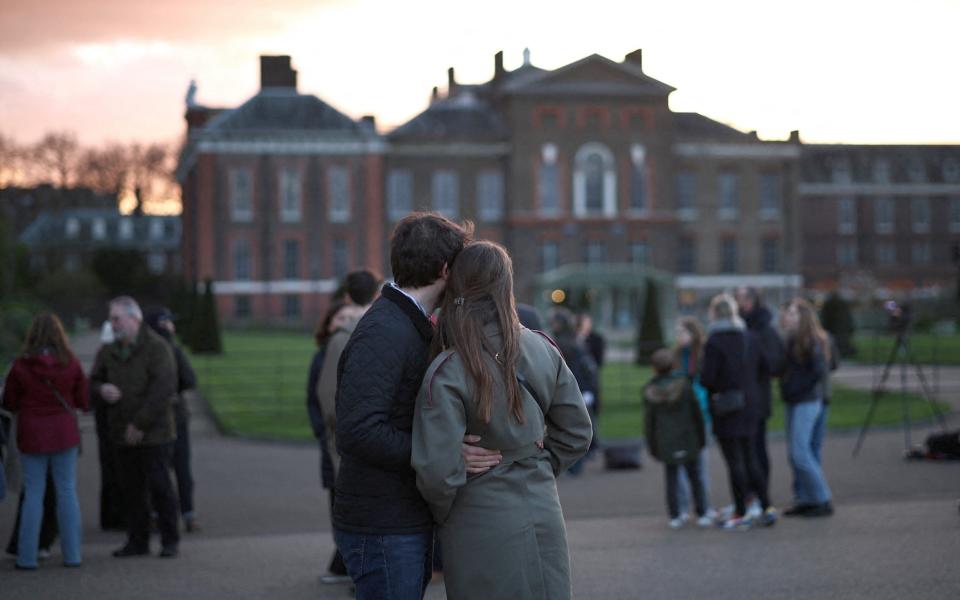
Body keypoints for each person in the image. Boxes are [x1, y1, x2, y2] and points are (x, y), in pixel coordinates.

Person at [412, 240, 593, 600]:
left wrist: (446, 512)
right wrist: (536, 462)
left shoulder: (448, 369)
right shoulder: (543, 347)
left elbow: (436, 473)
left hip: (477, 515)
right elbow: (576, 433)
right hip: (543, 505)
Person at [333, 213, 473, 600]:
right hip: (383, 525)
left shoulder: (403, 322)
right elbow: (358, 431)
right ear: (446, 269)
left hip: (393, 518)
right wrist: (444, 452)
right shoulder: (386, 331)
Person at [90, 296, 181, 558]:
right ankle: (137, 540)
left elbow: (163, 388)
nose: (113, 324)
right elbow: (93, 381)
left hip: (155, 433)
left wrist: (140, 423)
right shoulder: (109, 351)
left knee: (160, 487)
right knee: (131, 490)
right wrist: (101, 389)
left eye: (117, 318)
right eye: (111, 319)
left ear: (135, 319)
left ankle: (169, 540)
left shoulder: (157, 348)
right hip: (121, 432)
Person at [2, 313, 88, 569]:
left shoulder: (20, 366)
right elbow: (82, 401)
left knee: (33, 495)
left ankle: (27, 558)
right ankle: (73, 555)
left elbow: (9, 402)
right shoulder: (71, 364)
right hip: (64, 434)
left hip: (32, 435)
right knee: (67, 492)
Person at [700, 294, 777, 530]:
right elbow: (766, 367)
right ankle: (765, 506)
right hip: (751, 403)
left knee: (735, 461)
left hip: (728, 406)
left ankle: (741, 510)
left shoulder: (714, 341)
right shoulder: (750, 337)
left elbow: (707, 378)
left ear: (714, 313)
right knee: (751, 456)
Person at [306, 300, 354, 584]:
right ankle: (342, 560)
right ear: (329, 323)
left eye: (350, 316)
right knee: (336, 498)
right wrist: (321, 431)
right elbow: (315, 398)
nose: (345, 321)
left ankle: (343, 562)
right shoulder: (322, 356)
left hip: (345, 436)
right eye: (340, 318)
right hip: (330, 440)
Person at [145, 307, 201, 533]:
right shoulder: (173, 350)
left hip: (154, 417)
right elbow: (190, 379)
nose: (173, 327)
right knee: (181, 468)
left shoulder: (146, 350)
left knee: (158, 469)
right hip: (176, 416)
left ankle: (158, 514)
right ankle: (188, 515)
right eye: (170, 323)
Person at [779, 298, 834, 518]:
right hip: (795, 399)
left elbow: (817, 372)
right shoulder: (792, 339)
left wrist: (793, 386)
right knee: (798, 454)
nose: (787, 317)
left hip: (807, 400)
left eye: (792, 314)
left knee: (800, 452)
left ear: (803, 317)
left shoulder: (813, 339)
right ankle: (805, 498)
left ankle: (822, 498)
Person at [644, 348, 709, 529]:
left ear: (654, 369)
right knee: (695, 477)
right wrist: (702, 438)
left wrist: (652, 446)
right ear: (674, 365)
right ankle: (702, 512)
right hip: (689, 438)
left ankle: (675, 515)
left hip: (666, 441)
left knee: (671, 479)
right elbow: (697, 415)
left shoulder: (651, 392)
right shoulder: (686, 387)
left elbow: (649, 424)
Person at [735, 286, 785, 518]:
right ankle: (748, 496)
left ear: (753, 301)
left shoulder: (765, 330)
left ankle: (762, 498)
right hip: (743, 398)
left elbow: (775, 365)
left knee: (756, 451)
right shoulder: (742, 326)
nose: (738, 302)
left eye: (742, 298)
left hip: (757, 398)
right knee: (745, 452)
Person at [672, 316, 715, 522]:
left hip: (700, 414)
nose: (678, 336)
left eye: (682, 332)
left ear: (692, 333)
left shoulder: (703, 355)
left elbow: (705, 386)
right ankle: (681, 508)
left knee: (699, 463)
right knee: (678, 462)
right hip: (680, 416)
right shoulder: (676, 356)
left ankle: (703, 507)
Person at [549, 308, 598, 476]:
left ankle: (576, 464)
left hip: (574, 388)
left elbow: (579, 369)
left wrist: (586, 390)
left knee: (573, 426)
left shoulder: (569, 343)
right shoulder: (566, 341)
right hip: (570, 389)